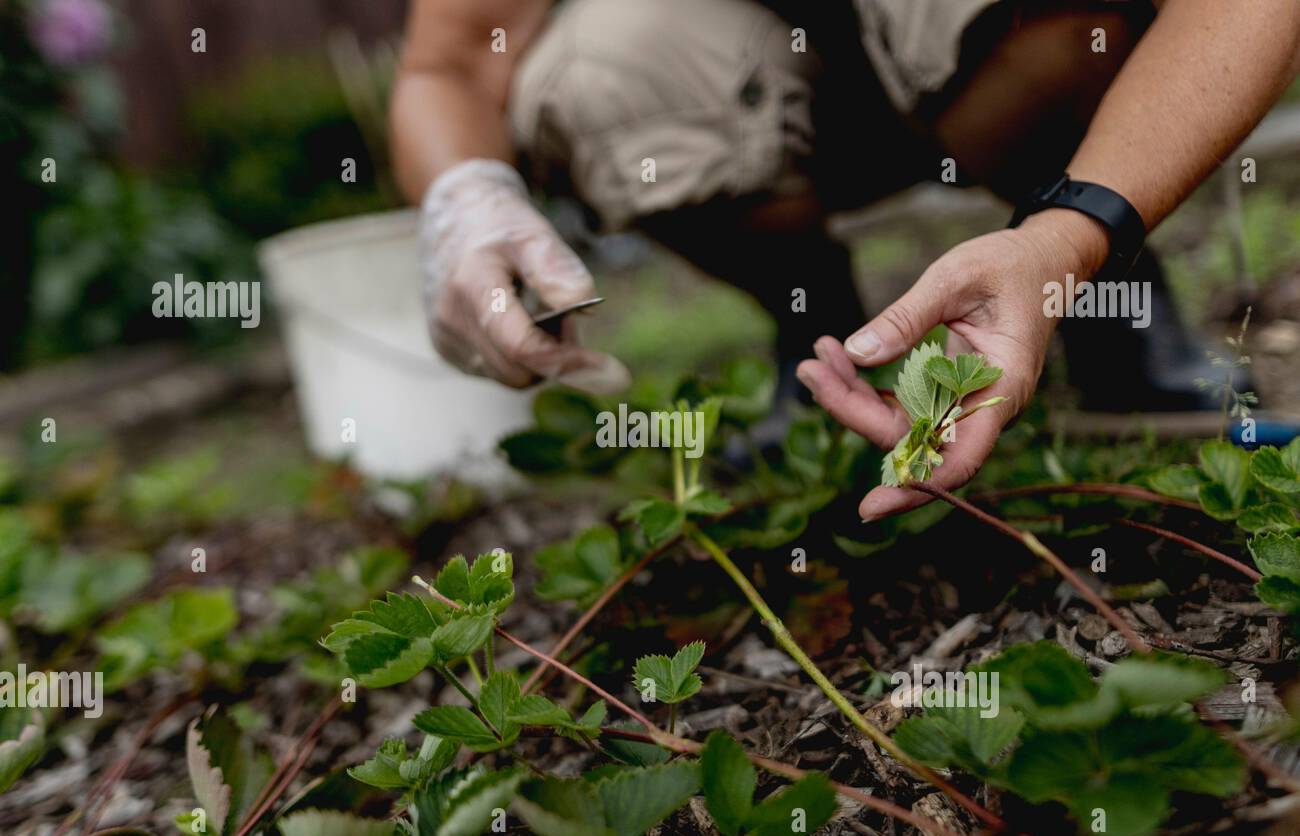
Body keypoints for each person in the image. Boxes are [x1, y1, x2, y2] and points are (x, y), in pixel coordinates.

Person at [391, 0, 1300, 521]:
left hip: (985, 52)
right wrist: (466, 202)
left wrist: (1068, 236)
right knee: (604, 70)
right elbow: (453, 61)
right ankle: (815, 328)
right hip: (760, 90)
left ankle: (1104, 291)